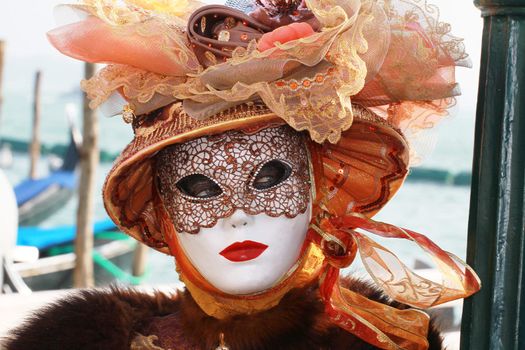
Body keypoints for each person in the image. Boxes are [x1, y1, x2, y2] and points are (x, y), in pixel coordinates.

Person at [4, 0, 480, 349]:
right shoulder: (81, 341)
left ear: (319, 192)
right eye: (198, 188)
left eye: (269, 179)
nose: (237, 218)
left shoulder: (386, 342)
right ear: (164, 211)